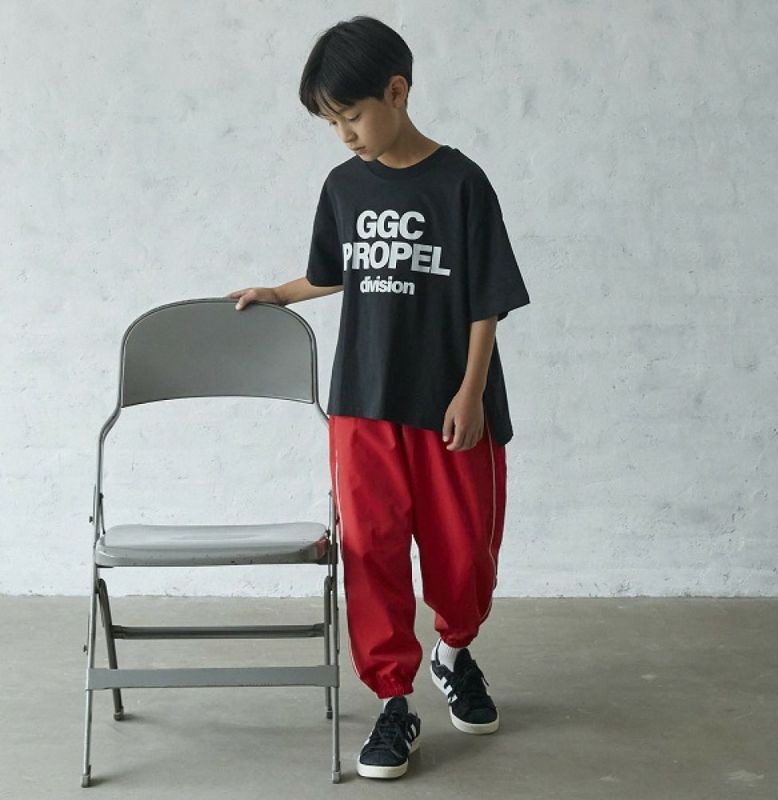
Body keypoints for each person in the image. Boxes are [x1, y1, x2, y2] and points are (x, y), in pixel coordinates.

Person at [226, 15, 530, 781]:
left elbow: (487, 298)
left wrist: (470, 391)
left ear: (397, 92)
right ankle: (394, 701)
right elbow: (332, 271)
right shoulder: (343, 187)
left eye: (352, 116)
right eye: (331, 123)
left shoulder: (460, 183)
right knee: (372, 553)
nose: (344, 135)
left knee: (464, 557)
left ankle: (454, 650)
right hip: (363, 402)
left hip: (450, 407)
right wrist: (278, 293)